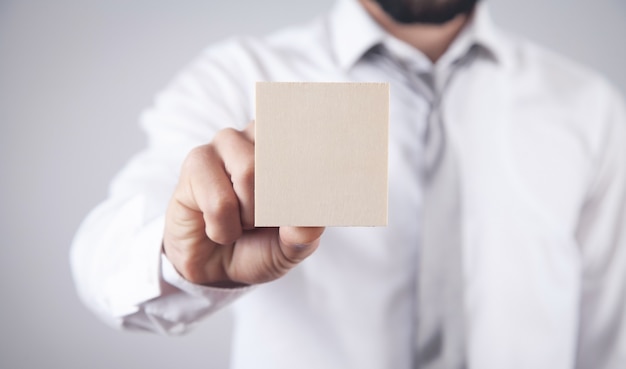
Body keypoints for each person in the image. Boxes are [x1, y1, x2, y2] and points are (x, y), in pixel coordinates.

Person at [70, 0, 626, 368]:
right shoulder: (239, 75)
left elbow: (610, 335)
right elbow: (105, 259)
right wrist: (178, 256)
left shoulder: (589, 107)